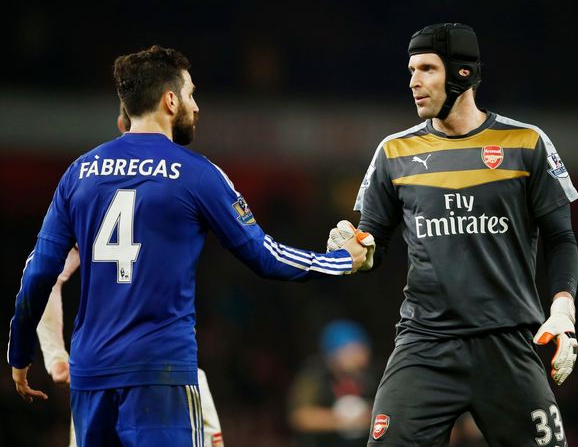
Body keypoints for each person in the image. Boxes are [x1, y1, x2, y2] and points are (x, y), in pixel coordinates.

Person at [8, 45, 368, 447]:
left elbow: (39, 273)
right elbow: (265, 256)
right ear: (170, 99)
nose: (196, 107)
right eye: (192, 94)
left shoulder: (79, 172)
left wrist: (20, 354)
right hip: (160, 374)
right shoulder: (196, 174)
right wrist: (339, 260)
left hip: (92, 376)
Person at [327, 23, 578, 446]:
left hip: (507, 343)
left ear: (461, 74)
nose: (413, 82)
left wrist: (563, 310)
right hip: (424, 346)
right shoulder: (393, 152)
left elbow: (561, 238)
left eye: (427, 68)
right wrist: (350, 253)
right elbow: (372, 243)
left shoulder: (526, 143)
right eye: (411, 70)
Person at [36, 244, 224, 447]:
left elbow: (41, 277)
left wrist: (55, 357)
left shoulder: (86, 213)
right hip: (165, 378)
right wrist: (55, 357)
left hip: (99, 382)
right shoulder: (177, 213)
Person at [288, 319, 379, 447]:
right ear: (334, 354)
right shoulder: (316, 376)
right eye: (353, 351)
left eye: (363, 349)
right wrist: (346, 421)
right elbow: (300, 416)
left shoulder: (371, 376)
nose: (361, 358)